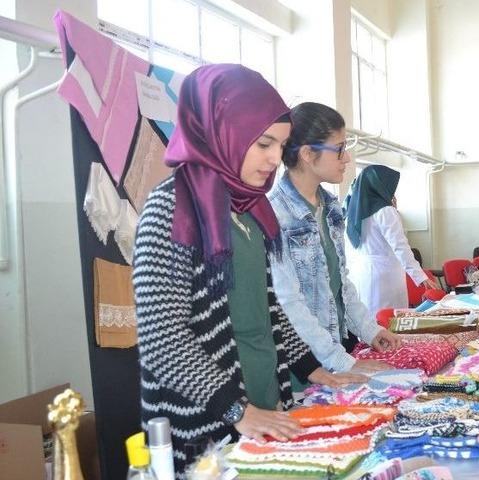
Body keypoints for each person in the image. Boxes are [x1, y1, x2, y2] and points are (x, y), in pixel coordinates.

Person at [133, 65, 364, 475]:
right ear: (222, 133)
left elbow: (268, 309)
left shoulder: (250, 210)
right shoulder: (171, 209)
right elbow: (161, 339)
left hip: (263, 409)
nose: (276, 158)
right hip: (208, 426)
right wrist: (238, 410)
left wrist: (312, 370)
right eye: (264, 144)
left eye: (281, 145)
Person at [269, 102, 402, 379]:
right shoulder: (276, 216)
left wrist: (369, 329)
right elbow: (289, 304)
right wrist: (341, 362)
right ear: (307, 154)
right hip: (305, 367)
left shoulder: (330, 208)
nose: (348, 158)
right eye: (339, 148)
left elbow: (340, 282)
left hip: (336, 351)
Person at [344, 165, 440, 316]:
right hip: (385, 276)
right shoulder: (384, 210)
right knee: (389, 321)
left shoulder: (352, 211)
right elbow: (400, 246)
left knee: (369, 322)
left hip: (362, 273)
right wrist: (420, 276)